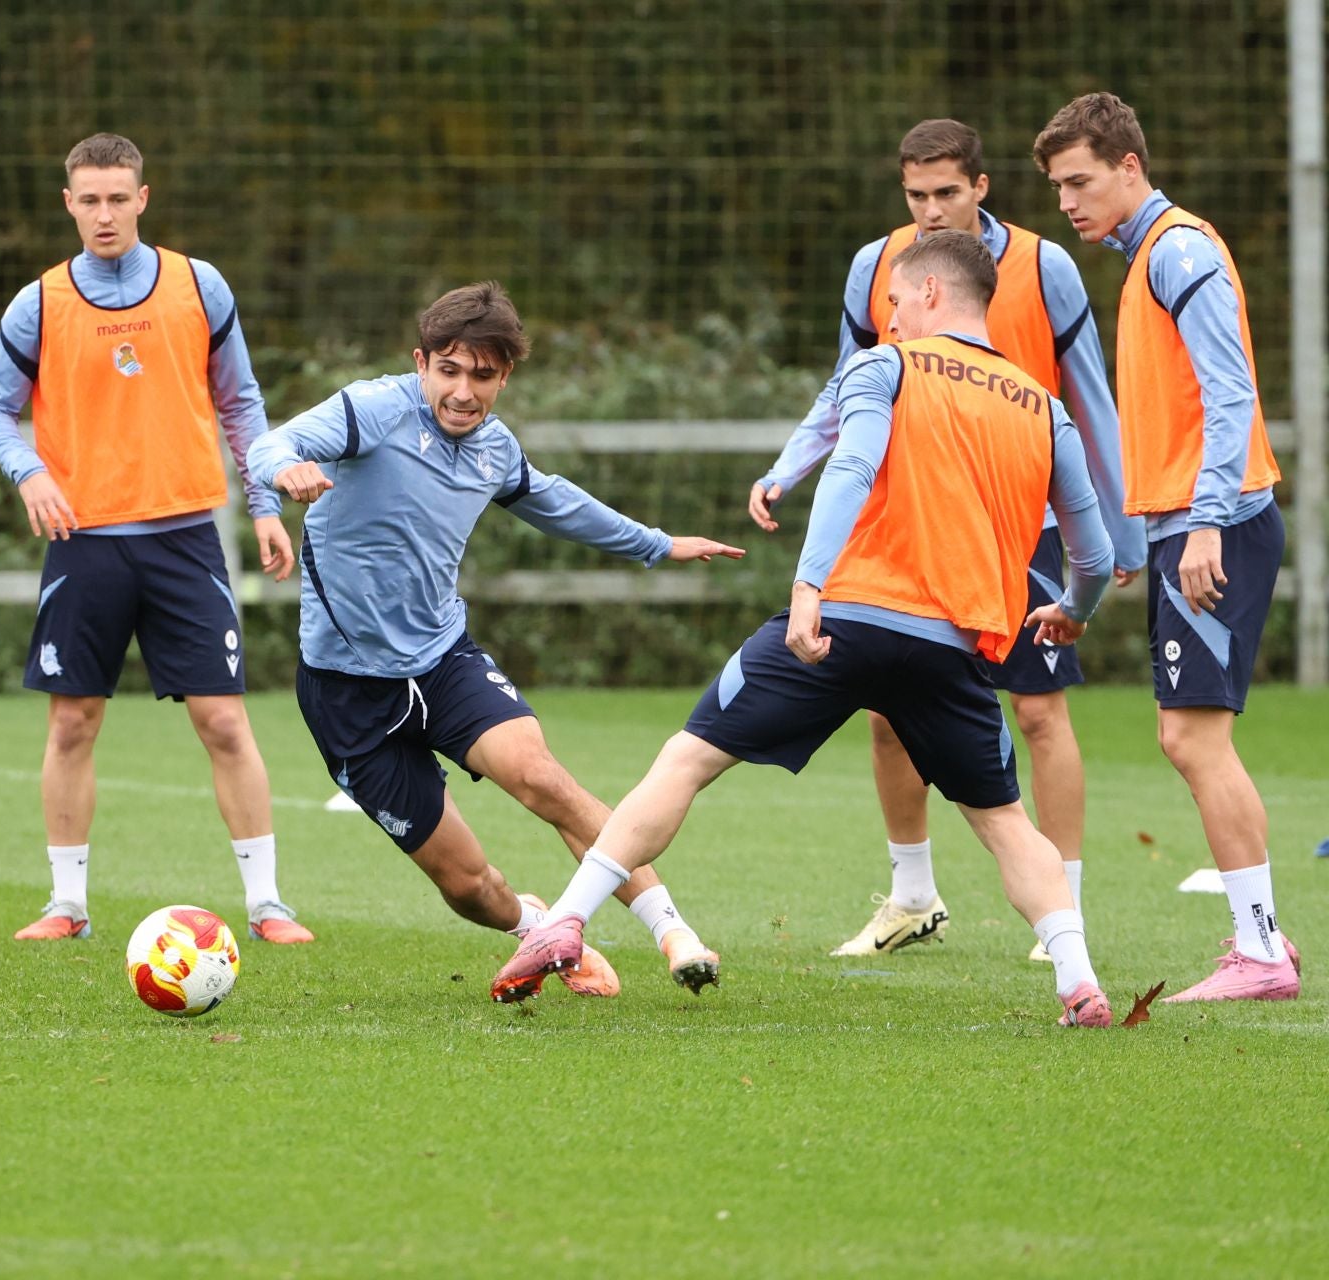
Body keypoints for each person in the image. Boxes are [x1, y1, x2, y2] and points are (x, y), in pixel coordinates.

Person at [495, 232, 1120, 1028]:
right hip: (952, 646)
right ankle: (1078, 981)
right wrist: (1075, 610)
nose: (889, 315)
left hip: (848, 620)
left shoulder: (886, 366)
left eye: (896, 300)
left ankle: (566, 920)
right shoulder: (1043, 407)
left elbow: (851, 468)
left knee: (688, 759)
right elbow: (1094, 552)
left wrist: (807, 585)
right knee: (1005, 823)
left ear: (931, 293)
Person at [248, 282, 741, 993]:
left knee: (545, 782)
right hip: (346, 694)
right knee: (470, 886)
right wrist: (284, 468)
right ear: (421, 362)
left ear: (504, 376)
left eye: (481, 375)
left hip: (443, 664)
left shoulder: (494, 449)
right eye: (448, 370)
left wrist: (657, 544)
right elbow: (274, 441)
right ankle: (535, 927)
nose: (463, 391)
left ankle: (675, 934)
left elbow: (555, 501)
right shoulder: (373, 410)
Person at [749, 119, 1142, 962]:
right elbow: (848, 385)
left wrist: (1123, 527)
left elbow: (1088, 399)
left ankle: (1062, 909)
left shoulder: (1045, 265)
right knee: (887, 712)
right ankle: (912, 895)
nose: (930, 211)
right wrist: (790, 465)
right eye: (916, 195)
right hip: (914, 521)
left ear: (981, 187)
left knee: (1038, 712)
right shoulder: (877, 265)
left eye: (946, 193)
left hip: (1019, 524)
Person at [0, 132, 311, 945]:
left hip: (187, 536)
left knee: (223, 721)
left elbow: (241, 403)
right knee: (72, 723)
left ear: (142, 199)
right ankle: (67, 905)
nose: (104, 214)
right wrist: (29, 472)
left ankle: (268, 904)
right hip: (84, 541)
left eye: (118, 199)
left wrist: (264, 504)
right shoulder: (39, 303)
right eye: (89, 200)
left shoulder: (199, 285)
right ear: (69, 204)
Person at [1035, 91, 1300, 1002]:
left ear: (1129, 166)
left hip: (1211, 526)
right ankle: (1262, 941)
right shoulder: (1148, 254)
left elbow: (1230, 394)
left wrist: (1205, 521)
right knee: (1186, 737)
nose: (1067, 201)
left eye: (1080, 180)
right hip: (1188, 524)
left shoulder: (1178, 250)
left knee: (1192, 738)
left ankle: (1260, 952)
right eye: (1058, 186)